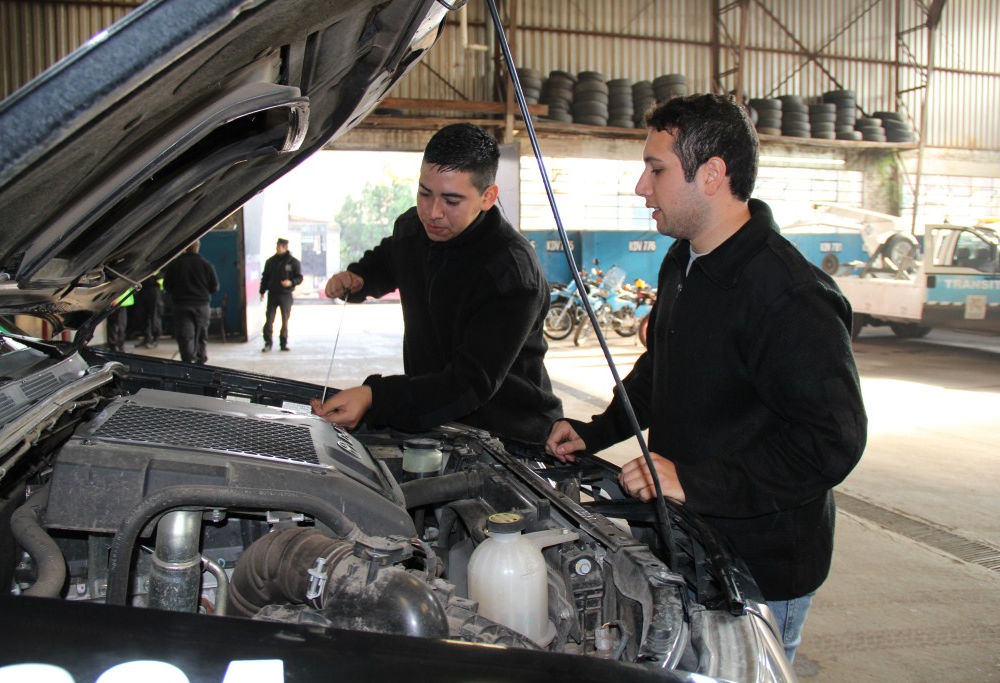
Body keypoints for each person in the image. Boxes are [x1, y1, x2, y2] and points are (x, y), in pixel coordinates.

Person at [544, 94, 866, 662]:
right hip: (687, 537)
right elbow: (661, 368)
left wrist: (695, 482)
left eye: (657, 168)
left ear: (712, 174)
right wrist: (596, 432)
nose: (642, 187)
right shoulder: (682, 261)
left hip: (760, 568)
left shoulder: (790, 297)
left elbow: (831, 441)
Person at [312, 122, 562, 446]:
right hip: (434, 417)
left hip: (510, 437)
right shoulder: (413, 229)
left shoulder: (510, 274)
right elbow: (388, 260)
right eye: (424, 193)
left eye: (452, 201)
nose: (433, 213)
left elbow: (470, 383)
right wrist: (359, 279)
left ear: (488, 197)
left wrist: (376, 397)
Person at [163, 239, 219, 364]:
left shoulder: (175, 264)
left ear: (184, 248)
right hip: (202, 305)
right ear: (197, 248)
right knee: (201, 335)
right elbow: (215, 287)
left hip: (181, 305)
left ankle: (188, 363)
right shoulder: (206, 265)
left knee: (185, 336)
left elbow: (167, 286)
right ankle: (201, 361)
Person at [259, 237, 303, 351]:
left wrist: (291, 282)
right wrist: (262, 291)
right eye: (277, 246)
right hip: (273, 294)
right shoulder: (270, 262)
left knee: (285, 319)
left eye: (279, 246)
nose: (277, 248)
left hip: (286, 294)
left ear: (285, 247)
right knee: (269, 319)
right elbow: (265, 277)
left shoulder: (293, 262)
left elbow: (299, 277)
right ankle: (268, 343)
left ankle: (283, 343)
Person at [134, 273, 163, 349]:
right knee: (142, 315)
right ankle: (147, 338)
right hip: (141, 289)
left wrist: (155, 277)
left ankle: (155, 338)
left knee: (155, 315)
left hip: (153, 288)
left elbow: (163, 272)